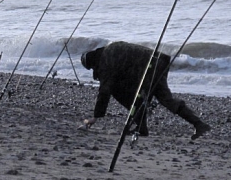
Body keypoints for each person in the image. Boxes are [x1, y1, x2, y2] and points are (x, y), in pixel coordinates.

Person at [79, 41, 211, 140]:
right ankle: (198, 124)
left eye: (91, 68)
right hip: (159, 61)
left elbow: (105, 91)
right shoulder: (110, 48)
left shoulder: (106, 60)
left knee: (125, 93)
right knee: (165, 99)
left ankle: (142, 127)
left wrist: (95, 117)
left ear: (92, 62)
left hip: (149, 68)